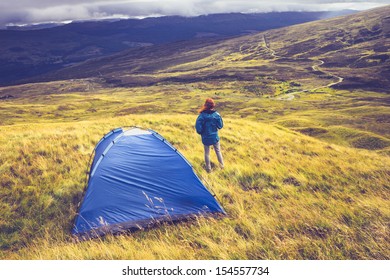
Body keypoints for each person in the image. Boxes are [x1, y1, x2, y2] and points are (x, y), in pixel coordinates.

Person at [195, 98, 224, 172]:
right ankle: (222, 166)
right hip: (215, 137)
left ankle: (208, 169)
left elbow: (198, 127)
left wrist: (201, 132)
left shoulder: (202, 115)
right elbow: (220, 126)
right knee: (218, 151)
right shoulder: (216, 115)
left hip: (206, 137)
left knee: (207, 153)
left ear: (205, 105)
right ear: (213, 105)